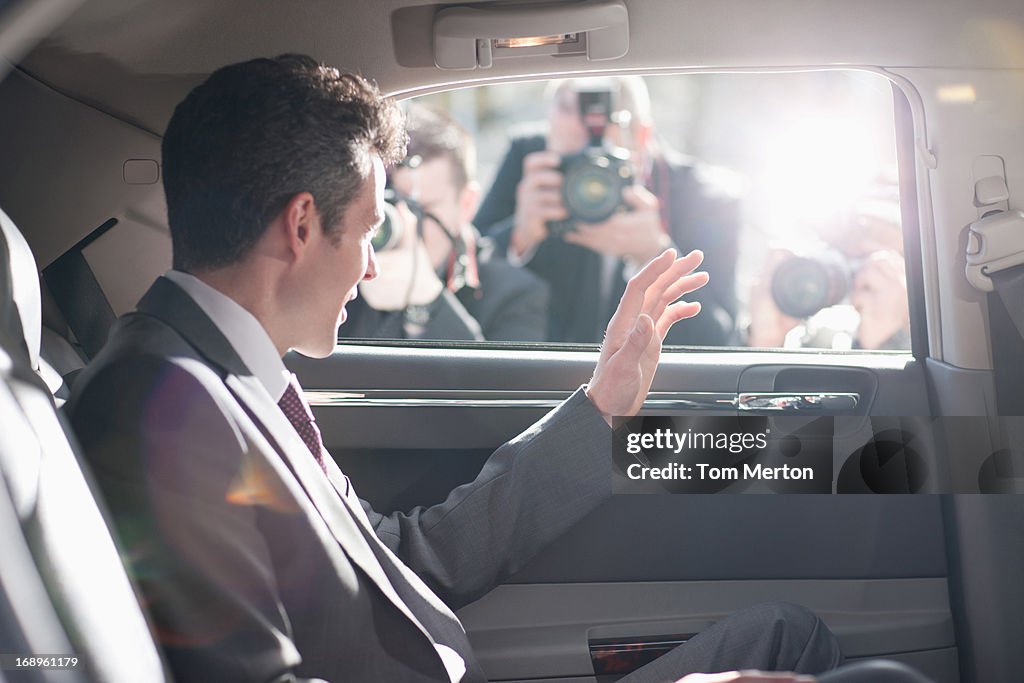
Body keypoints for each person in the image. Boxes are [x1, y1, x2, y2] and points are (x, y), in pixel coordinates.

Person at [67, 54, 931, 683]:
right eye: (370, 231)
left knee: (786, 635)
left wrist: (600, 407)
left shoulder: (223, 374)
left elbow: (403, 558)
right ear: (301, 226)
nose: (373, 267)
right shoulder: (161, 405)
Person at [474, 76, 741, 345]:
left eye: (604, 163)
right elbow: (460, 276)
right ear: (549, 131)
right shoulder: (530, 161)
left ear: (642, 137)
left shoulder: (705, 198)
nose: (590, 182)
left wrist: (655, 256)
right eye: (575, 165)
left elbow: (718, 341)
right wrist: (517, 238)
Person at [340, 105, 550, 342]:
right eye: (390, 206)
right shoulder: (346, 276)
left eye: (420, 209)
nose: (405, 223)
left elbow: (497, 379)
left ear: (467, 204)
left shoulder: (516, 295)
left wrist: (427, 302)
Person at [746, 199, 910, 350]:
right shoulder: (811, 338)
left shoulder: (931, 334)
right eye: (840, 243)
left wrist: (893, 340)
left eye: (869, 235)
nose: (853, 254)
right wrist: (765, 343)